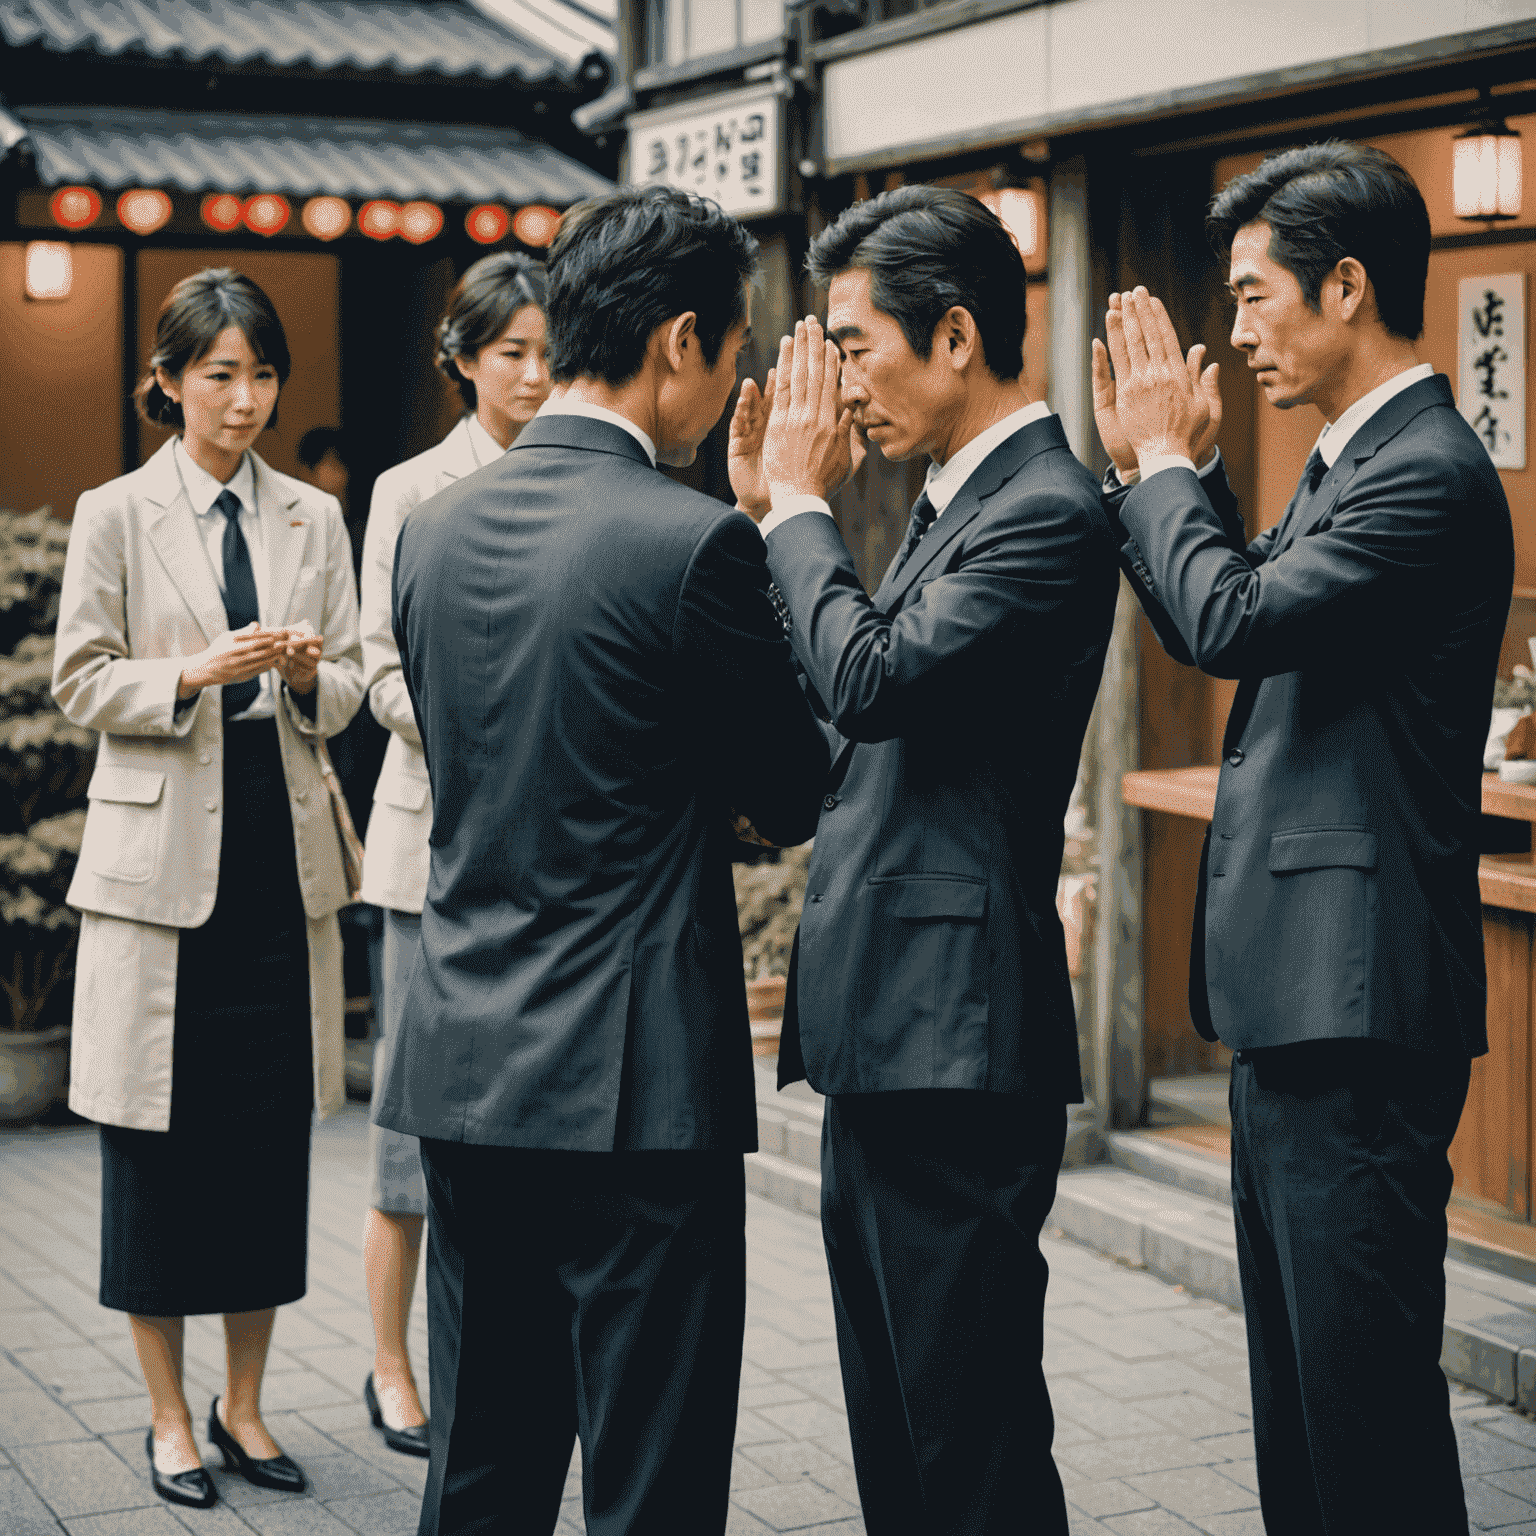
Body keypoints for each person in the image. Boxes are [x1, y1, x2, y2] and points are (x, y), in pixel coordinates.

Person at [375, 185, 828, 1535]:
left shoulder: (427, 530)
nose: (735, 377)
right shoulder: (692, 542)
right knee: (652, 1479)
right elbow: (791, 788)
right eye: (737, 350)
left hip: (464, 1057)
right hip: (636, 1086)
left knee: (482, 1467)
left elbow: (489, 757)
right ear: (681, 340)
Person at [1091, 142, 1512, 1534]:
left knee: (1364, 1414)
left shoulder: (1427, 469)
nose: (1237, 329)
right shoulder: (1351, 463)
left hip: (1361, 1006)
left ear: (1347, 286)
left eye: (1258, 295)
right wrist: (1179, 481)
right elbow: (1227, 616)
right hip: (1306, 1003)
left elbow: (1230, 621)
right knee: (1306, 1411)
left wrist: (1161, 463)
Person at [728, 185, 1120, 1534]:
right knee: (900, 1424)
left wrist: (793, 509)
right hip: (896, 1027)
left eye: (852, 344)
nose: (837, 384)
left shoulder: (1049, 507)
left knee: (970, 1440)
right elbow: (846, 710)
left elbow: (873, 679)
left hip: (955, 1036)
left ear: (956, 335)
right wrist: (774, 519)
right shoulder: (955, 501)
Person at [51, 267, 363, 1510]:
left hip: (277, 878)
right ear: (169, 382)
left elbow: (348, 687)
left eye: (263, 373)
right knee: (157, 1158)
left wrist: (294, 678)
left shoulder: (313, 520)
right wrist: (193, 673)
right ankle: (169, 1418)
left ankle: (245, 1405)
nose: (246, 399)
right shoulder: (114, 511)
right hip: (160, 874)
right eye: (220, 374)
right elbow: (80, 679)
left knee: (259, 1154)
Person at [356, 250, 551, 1456]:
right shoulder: (411, 488)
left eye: (545, 350)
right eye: (508, 352)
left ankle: (497, 1362)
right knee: (406, 1127)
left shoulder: (586, 466)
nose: (531, 374)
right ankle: (389, 1364)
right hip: (429, 845)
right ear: (463, 361)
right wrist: (494, 729)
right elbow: (379, 663)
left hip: (542, 855)